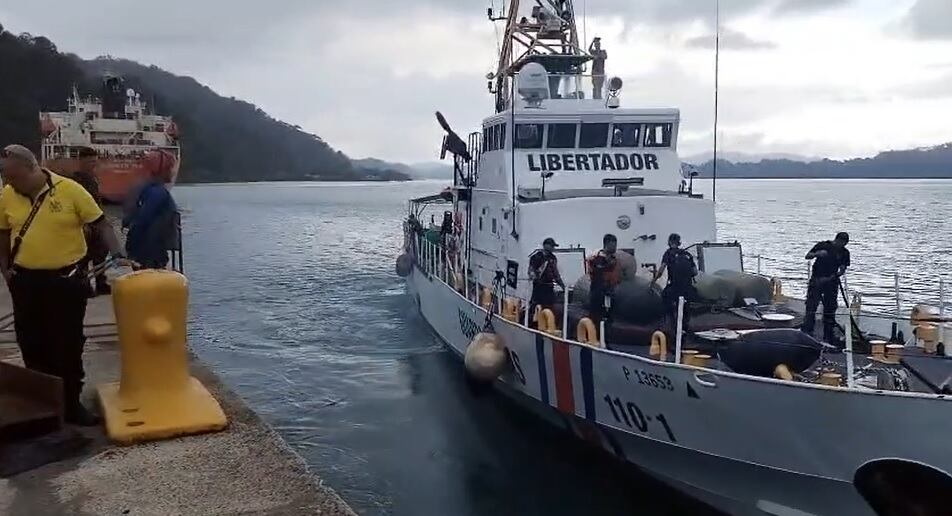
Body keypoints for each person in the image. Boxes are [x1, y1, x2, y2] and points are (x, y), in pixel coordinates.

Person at [0, 144, 129, 425]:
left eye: (14, 177)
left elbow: (101, 223)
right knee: (31, 343)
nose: (10, 183)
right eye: (6, 178)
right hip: (25, 282)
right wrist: (6, 270)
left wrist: (117, 252)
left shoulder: (70, 190)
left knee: (68, 344)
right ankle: (44, 403)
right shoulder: (8, 193)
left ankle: (71, 404)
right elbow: (3, 231)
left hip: (66, 281)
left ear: (33, 168)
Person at [123, 150, 179, 269]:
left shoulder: (144, 190)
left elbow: (134, 219)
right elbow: (143, 220)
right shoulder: (158, 193)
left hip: (145, 250)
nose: (172, 172)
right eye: (169, 168)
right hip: (152, 253)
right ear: (160, 170)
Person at [801, 232, 851, 345]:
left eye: (844, 243)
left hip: (831, 281)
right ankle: (807, 331)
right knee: (811, 305)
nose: (842, 245)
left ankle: (828, 335)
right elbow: (807, 256)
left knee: (830, 308)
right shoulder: (823, 245)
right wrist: (817, 254)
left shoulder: (844, 253)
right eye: (841, 242)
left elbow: (843, 268)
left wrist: (837, 274)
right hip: (817, 278)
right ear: (837, 240)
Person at [74, 147, 110, 295]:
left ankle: (101, 282)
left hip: (96, 221)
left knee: (100, 252)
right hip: (85, 224)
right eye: (90, 162)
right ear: (81, 161)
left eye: (95, 162)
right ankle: (85, 285)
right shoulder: (76, 180)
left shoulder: (92, 178)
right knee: (83, 257)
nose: (93, 165)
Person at [651, 233, 698, 333]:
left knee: (664, 299)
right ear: (679, 243)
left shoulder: (668, 253)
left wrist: (652, 283)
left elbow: (660, 271)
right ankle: (685, 328)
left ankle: (669, 324)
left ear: (669, 242)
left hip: (674, 288)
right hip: (687, 289)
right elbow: (695, 272)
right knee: (685, 307)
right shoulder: (687, 254)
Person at [588, 234, 621, 326]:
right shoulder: (597, 258)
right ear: (607, 244)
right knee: (596, 315)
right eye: (613, 245)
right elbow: (596, 272)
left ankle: (607, 334)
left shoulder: (614, 259)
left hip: (610, 291)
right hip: (598, 290)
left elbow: (615, 274)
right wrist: (607, 264)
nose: (615, 247)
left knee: (610, 316)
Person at [528, 237, 565, 317]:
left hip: (549, 286)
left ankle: (547, 323)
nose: (553, 248)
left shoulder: (553, 258)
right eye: (552, 246)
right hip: (539, 286)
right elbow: (531, 271)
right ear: (546, 246)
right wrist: (534, 276)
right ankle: (532, 321)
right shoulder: (536, 257)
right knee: (535, 305)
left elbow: (556, 273)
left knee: (549, 306)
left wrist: (562, 285)